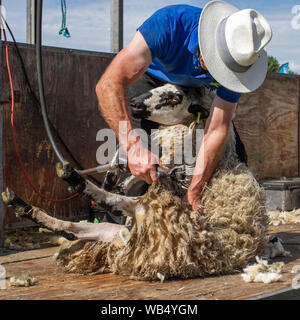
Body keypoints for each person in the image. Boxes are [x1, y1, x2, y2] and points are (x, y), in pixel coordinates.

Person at [95, 1, 272, 211]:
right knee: (144, 159)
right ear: (208, 43)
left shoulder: (241, 64)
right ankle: (120, 218)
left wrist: (194, 191)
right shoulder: (170, 23)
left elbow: (217, 128)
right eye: (218, 66)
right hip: (152, 77)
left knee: (235, 156)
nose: (221, 74)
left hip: (198, 89)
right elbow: (108, 84)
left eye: (226, 72)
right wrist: (133, 148)